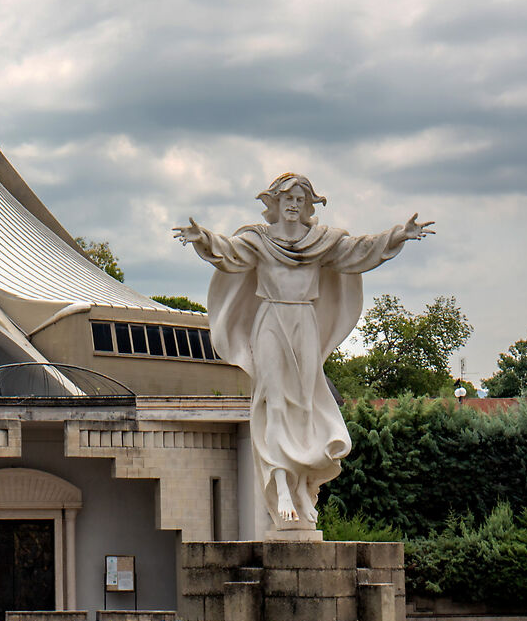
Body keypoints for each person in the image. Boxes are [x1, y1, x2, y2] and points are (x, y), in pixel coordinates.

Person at [175, 175, 432, 534]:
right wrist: (202, 239)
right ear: (275, 203)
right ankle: (280, 486)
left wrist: (397, 235)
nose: (294, 204)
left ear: (308, 204)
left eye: (300, 198)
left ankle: (301, 488)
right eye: (287, 198)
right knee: (275, 402)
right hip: (270, 320)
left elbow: (359, 250)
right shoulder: (259, 240)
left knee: (305, 406)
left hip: (304, 322)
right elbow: (229, 253)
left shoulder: (321, 242)